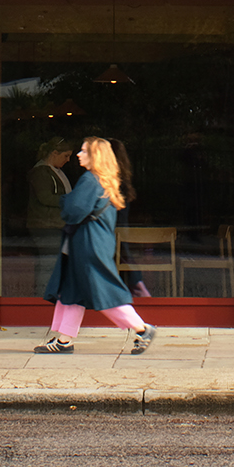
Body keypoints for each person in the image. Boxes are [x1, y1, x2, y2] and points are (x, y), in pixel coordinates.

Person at [37, 133, 153, 355]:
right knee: (71, 291)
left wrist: (65, 200)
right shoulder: (105, 180)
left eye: (83, 151)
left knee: (105, 292)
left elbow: (73, 211)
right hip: (93, 244)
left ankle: (143, 329)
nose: (78, 155)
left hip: (87, 245)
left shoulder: (90, 180)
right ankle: (64, 340)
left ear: (95, 156)